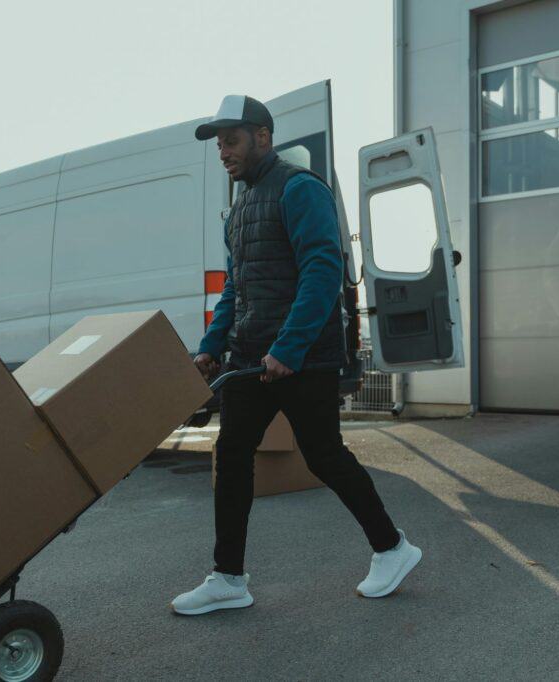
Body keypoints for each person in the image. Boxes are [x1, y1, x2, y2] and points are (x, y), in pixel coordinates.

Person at [171, 95, 422, 616]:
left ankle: (392, 548)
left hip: (302, 357)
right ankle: (228, 578)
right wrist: (212, 346)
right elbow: (237, 287)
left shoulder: (300, 189)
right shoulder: (239, 208)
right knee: (232, 455)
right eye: (218, 144)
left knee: (325, 456)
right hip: (249, 357)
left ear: (262, 137)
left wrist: (289, 347)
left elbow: (321, 271)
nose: (223, 152)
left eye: (231, 140)